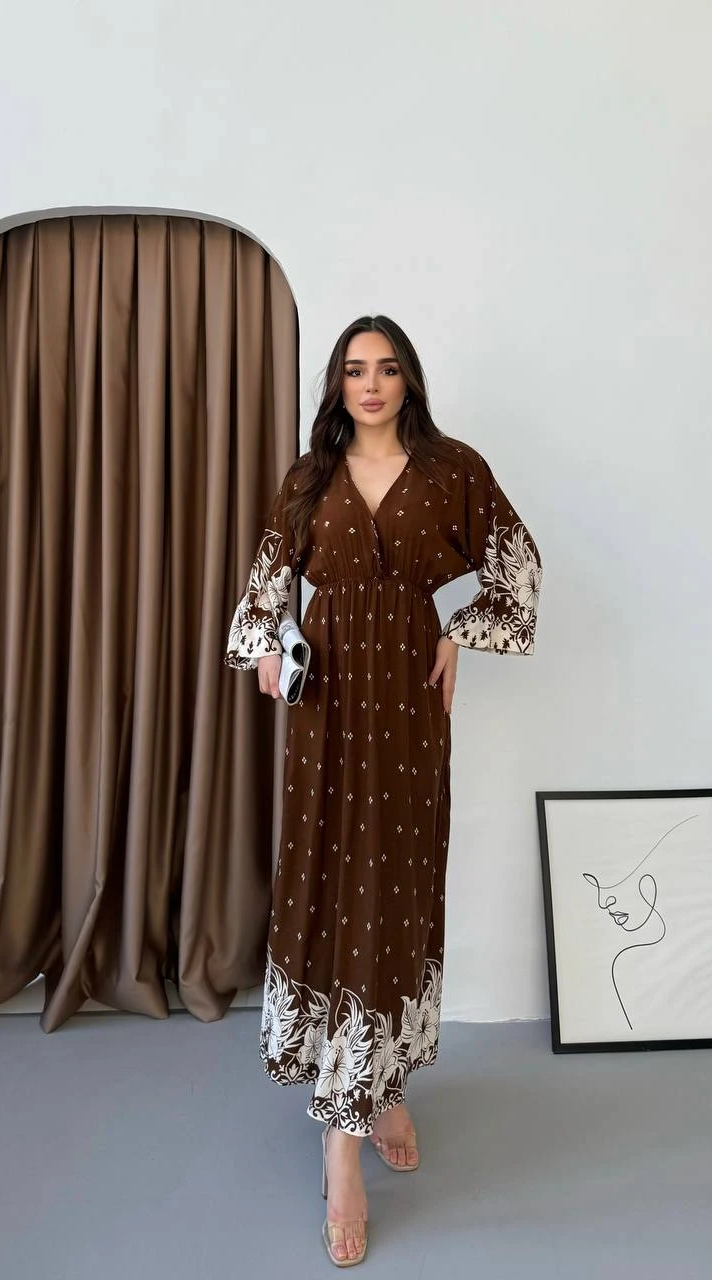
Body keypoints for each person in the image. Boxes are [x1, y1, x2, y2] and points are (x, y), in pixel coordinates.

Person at [225, 315, 542, 1266]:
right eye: (356, 369)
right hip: (326, 708)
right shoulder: (308, 479)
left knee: (393, 892)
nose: (371, 384)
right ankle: (344, 1142)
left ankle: (378, 1089)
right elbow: (265, 590)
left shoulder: (452, 470)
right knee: (333, 888)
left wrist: (457, 631)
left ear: (409, 382)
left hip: (406, 703)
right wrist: (266, 649)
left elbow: (518, 571)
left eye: (388, 368)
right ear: (338, 383)